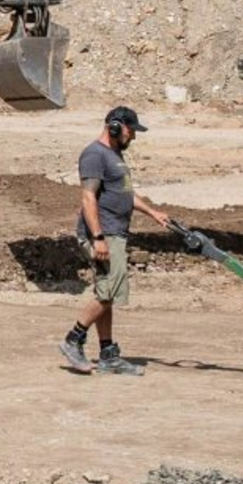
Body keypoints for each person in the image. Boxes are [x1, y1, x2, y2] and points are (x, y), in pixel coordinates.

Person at [61, 104, 173, 377]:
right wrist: (98, 237)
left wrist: (153, 213)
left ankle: (108, 354)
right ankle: (73, 340)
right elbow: (88, 197)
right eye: (130, 130)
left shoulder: (114, 156)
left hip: (115, 233)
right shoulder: (94, 155)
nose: (133, 136)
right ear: (114, 126)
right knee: (108, 292)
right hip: (105, 234)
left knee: (107, 293)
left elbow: (126, 195)